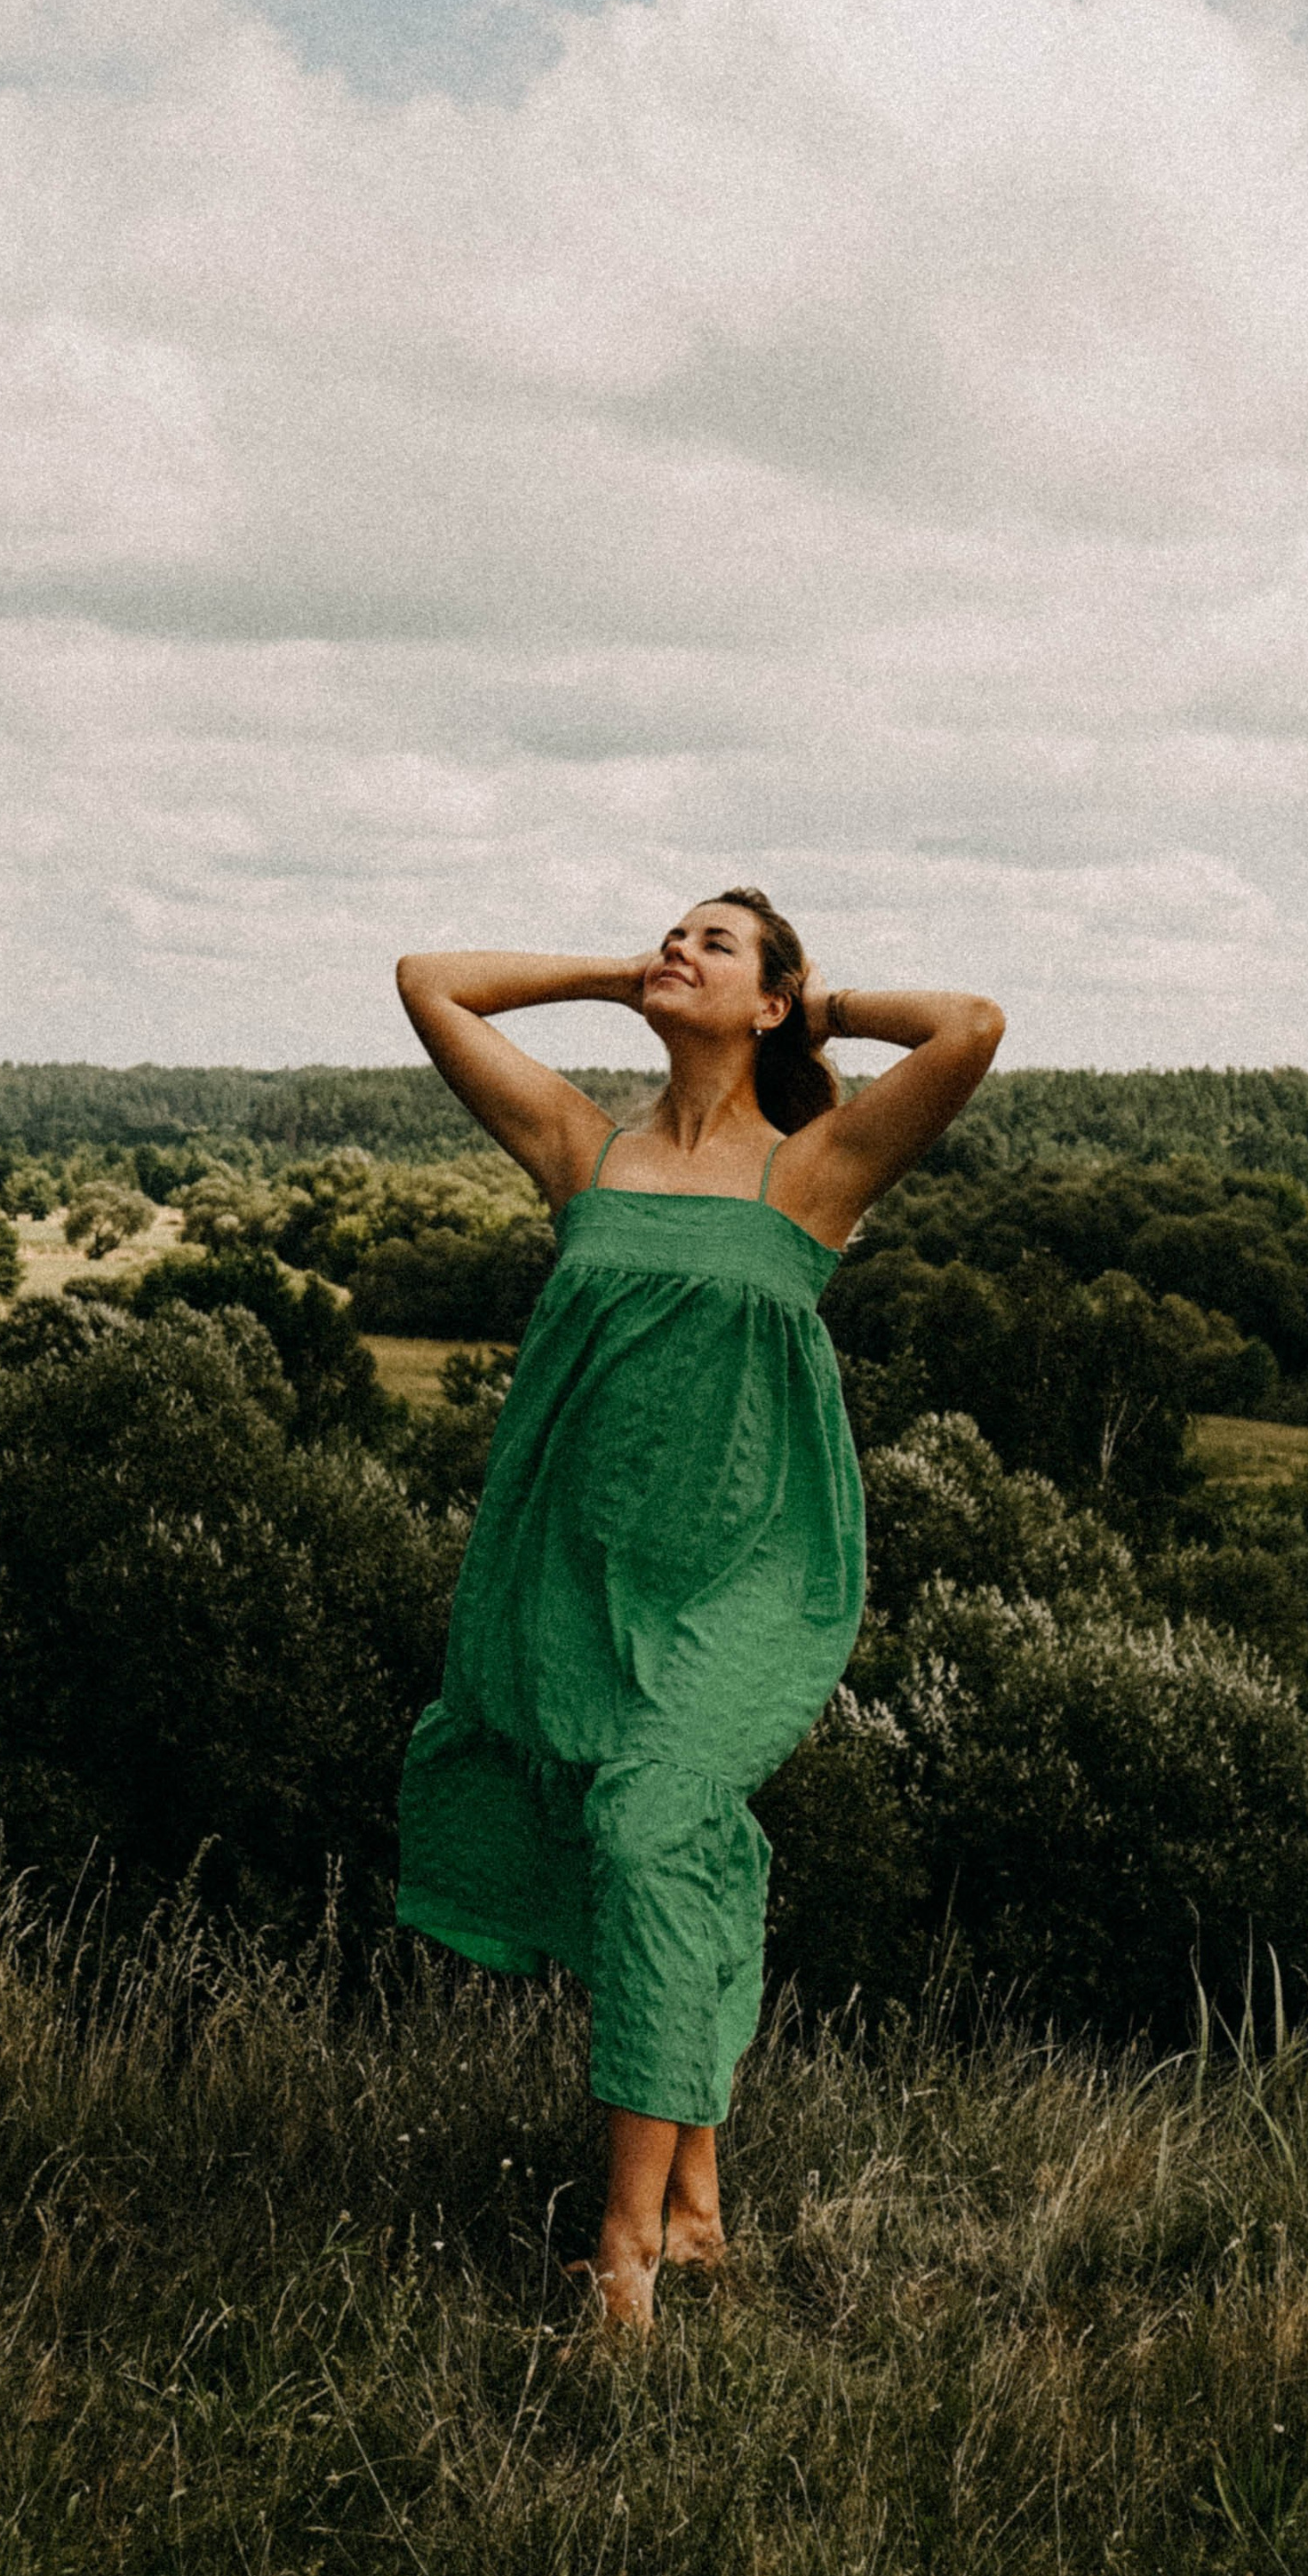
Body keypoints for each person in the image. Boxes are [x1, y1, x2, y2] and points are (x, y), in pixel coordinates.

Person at [392, 889, 1004, 2328]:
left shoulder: (816, 1172)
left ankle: (626, 2257)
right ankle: (703, 2202)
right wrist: (625, 979)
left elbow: (971, 1027)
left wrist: (822, 1009)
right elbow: (429, 981)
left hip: (748, 1584)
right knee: (664, 1851)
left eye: (710, 944)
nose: (677, 947)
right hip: (583, 1574)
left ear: (773, 999)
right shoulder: (582, 1151)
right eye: (669, 933)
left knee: (648, 1823)